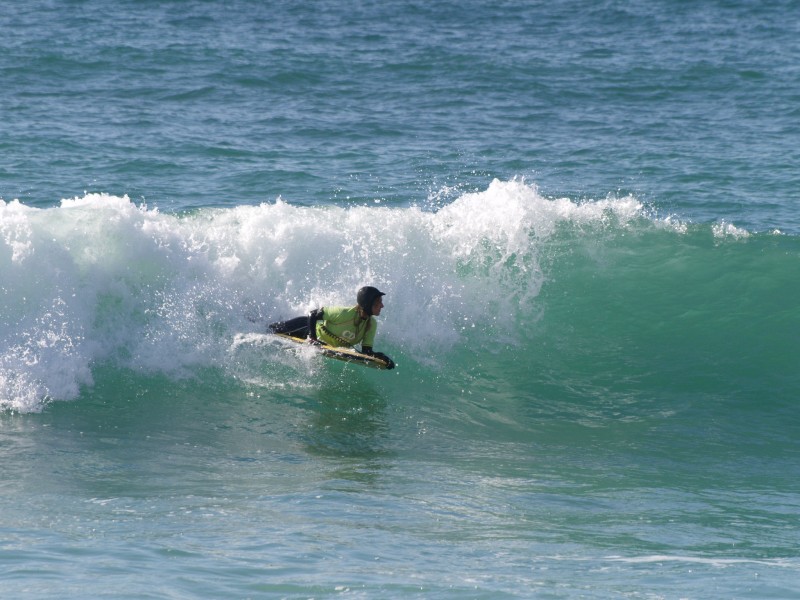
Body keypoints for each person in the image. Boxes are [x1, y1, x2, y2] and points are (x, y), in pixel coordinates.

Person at [269, 286, 395, 369]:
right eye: (378, 303)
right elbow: (313, 314)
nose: (382, 306)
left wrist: (381, 357)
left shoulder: (371, 325)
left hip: (322, 340)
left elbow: (366, 351)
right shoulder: (345, 313)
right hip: (304, 327)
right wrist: (312, 337)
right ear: (367, 304)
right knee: (270, 330)